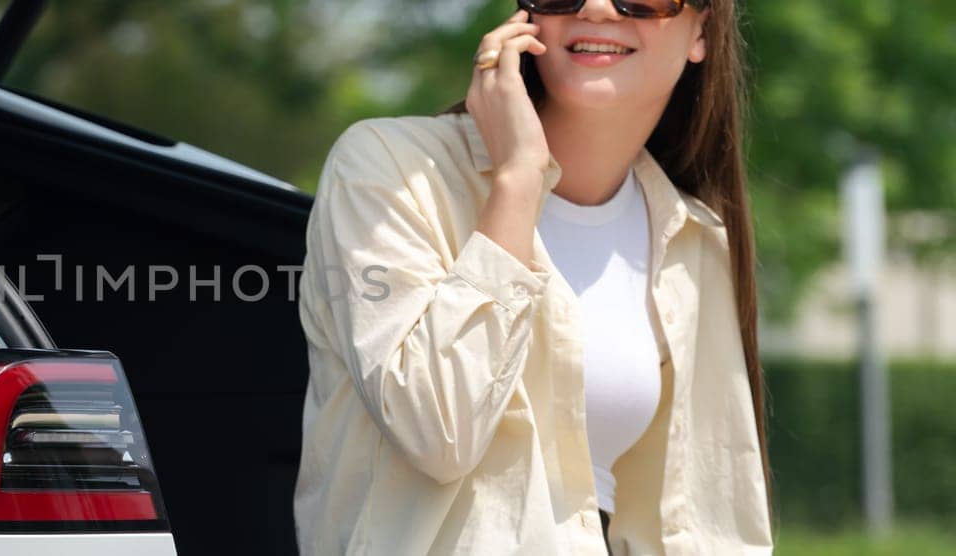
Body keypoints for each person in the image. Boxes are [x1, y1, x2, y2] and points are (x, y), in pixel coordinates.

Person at [293, 1, 773, 553]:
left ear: (703, 31)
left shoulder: (694, 236)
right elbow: (437, 431)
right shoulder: (389, 171)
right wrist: (518, 180)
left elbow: (709, 520)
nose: (596, 5)